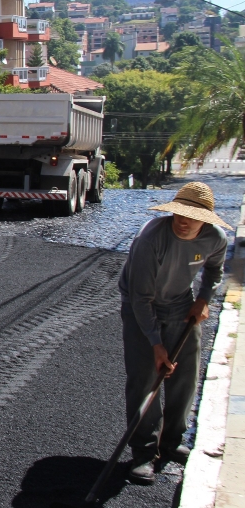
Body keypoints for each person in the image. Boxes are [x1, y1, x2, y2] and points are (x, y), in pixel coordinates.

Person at [119, 181, 230, 483]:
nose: (184, 221)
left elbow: (215, 270)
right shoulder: (151, 238)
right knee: (145, 379)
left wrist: (204, 298)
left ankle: (171, 441)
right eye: (180, 214)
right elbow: (141, 298)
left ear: (206, 220)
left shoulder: (215, 238)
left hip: (182, 305)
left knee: (185, 374)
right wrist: (156, 344)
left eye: (192, 216)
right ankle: (143, 451)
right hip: (142, 306)